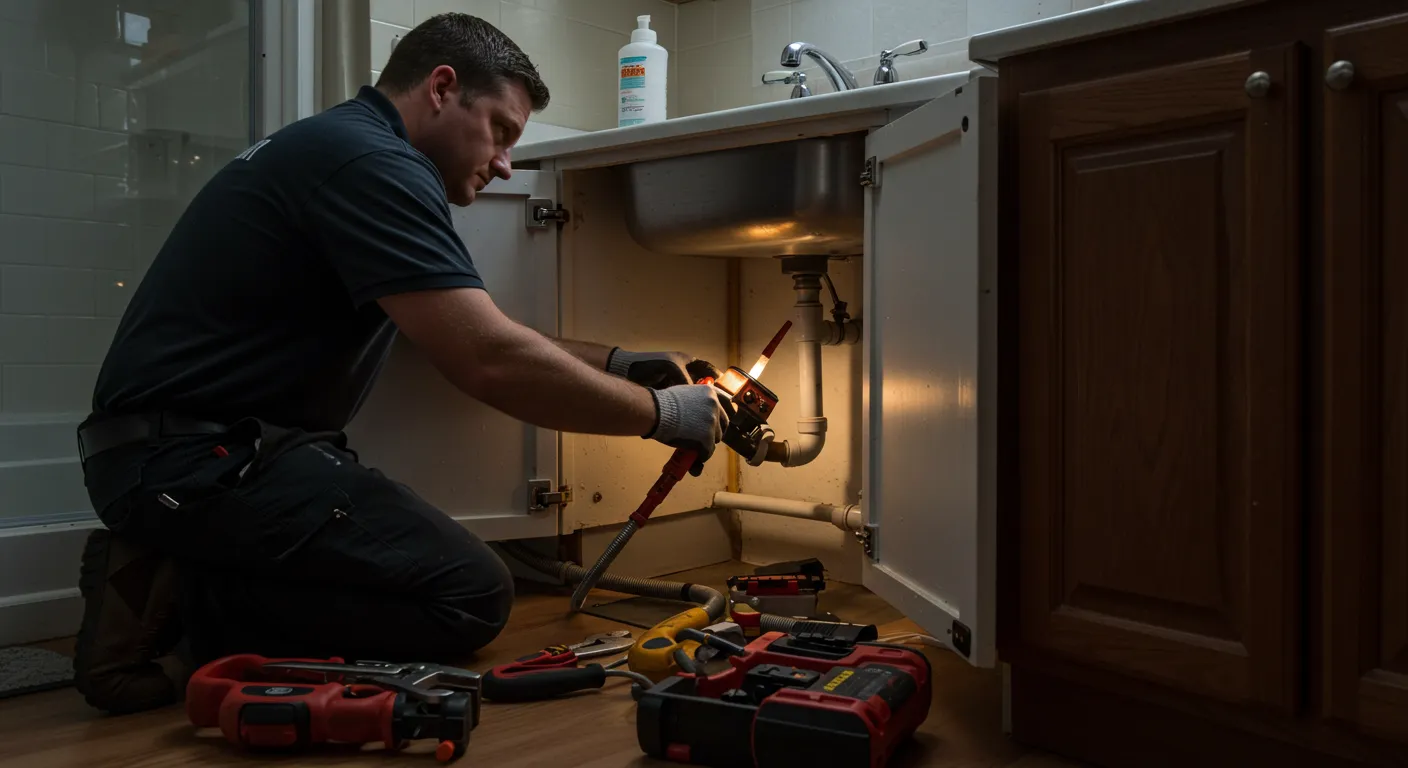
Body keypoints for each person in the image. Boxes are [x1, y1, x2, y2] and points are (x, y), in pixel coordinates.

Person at [71, 12, 731, 715]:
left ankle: (180, 573)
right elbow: (488, 359)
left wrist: (622, 363)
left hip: (190, 453)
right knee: (469, 596)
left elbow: (460, 328)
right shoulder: (375, 164)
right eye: (502, 131)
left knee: (433, 576)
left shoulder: (344, 147)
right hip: (196, 461)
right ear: (442, 88)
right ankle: (177, 596)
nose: (507, 161)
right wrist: (664, 415)